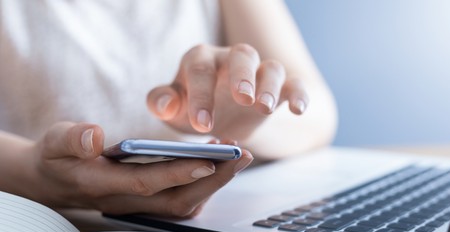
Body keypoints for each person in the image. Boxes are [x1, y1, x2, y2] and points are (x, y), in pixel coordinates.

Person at [0, 0, 337, 217]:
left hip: (224, 220)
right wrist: (34, 173)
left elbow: (317, 113)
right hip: (49, 225)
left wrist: (250, 117)